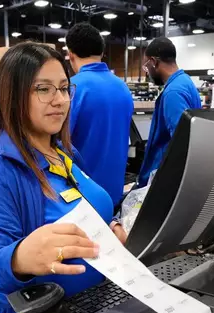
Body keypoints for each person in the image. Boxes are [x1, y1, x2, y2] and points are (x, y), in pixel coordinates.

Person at [0, 42, 127, 313]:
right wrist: (19, 258)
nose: (59, 99)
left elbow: (79, 210)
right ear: (13, 96)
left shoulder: (62, 153)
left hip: (88, 312)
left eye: (63, 88)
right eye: (43, 89)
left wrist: (110, 228)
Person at [66, 22, 134, 206]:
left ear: (70, 54)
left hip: (81, 198)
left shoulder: (72, 88)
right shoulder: (123, 88)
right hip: (113, 196)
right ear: (102, 53)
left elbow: (57, 145)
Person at [137, 37, 202, 187]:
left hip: (163, 177)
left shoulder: (173, 92)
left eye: (147, 67)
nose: (148, 73)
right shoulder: (186, 82)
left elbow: (181, 143)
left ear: (154, 61)